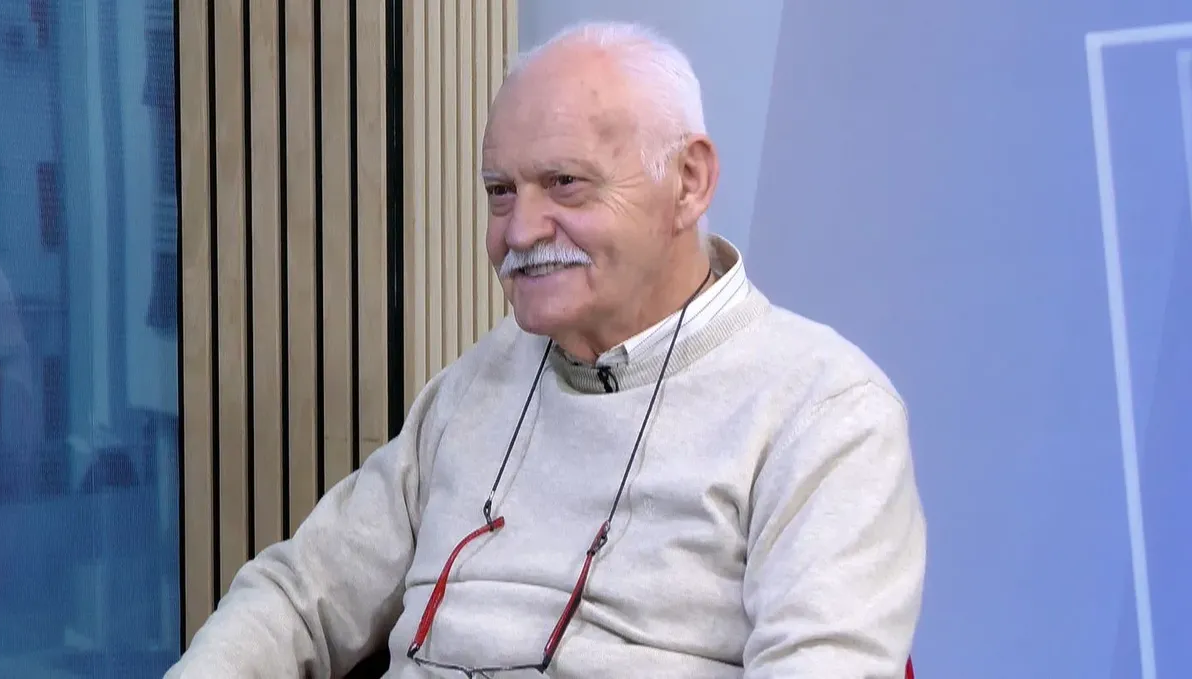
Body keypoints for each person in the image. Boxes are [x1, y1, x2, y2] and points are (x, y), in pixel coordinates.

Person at [167, 21, 926, 678]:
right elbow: (298, 595)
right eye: (501, 191)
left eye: (565, 183)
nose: (520, 231)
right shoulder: (482, 376)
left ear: (689, 183)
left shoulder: (824, 410)